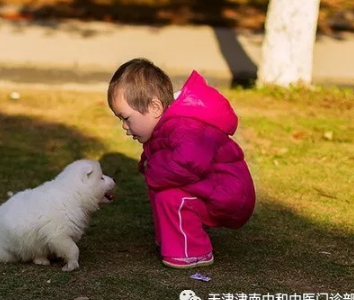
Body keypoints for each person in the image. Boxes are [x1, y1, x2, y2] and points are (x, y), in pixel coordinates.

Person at [107, 58, 255, 269]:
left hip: (230, 195)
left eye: (127, 118)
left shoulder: (184, 127)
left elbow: (188, 163)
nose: (124, 126)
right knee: (160, 189)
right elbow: (158, 155)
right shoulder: (165, 127)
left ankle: (193, 252)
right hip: (213, 189)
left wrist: (152, 169)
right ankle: (171, 238)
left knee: (171, 196)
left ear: (155, 107)